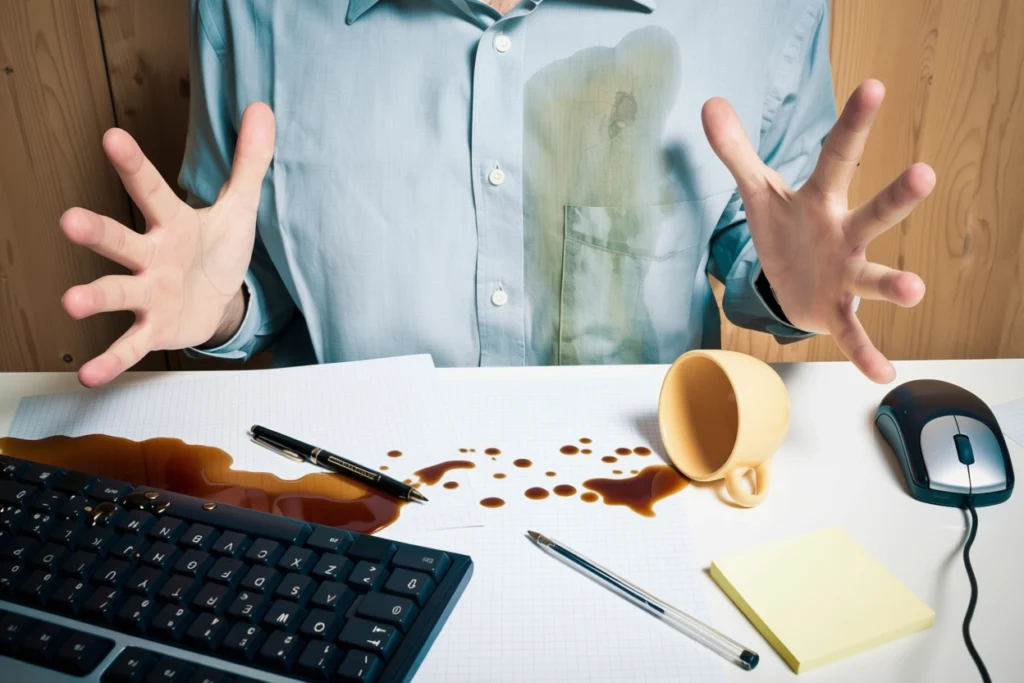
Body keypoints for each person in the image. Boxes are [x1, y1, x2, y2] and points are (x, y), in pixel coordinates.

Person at [60, 0, 934, 388]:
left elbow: (760, 246)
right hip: (340, 516)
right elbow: (239, 273)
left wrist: (787, 288)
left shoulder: (766, 10)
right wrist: (220, 311)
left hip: (646, 499)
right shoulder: (252, 7)